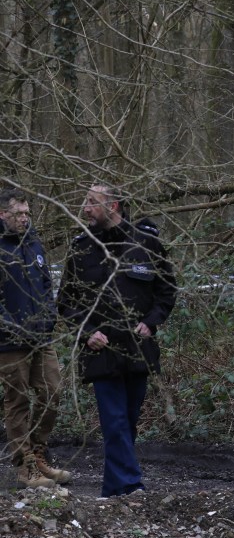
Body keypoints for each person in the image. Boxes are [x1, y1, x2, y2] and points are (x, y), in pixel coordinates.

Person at [57, 185, 177, 497]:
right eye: (85, 203)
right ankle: (131, 486)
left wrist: (151, 323)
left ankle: (113, 489)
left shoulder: (147, 243)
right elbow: (66, 301)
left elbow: (166, 292)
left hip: (138, 349)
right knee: (114, 422)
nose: (85, 209)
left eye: (92, 203)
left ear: (113, 206)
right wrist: (86, 332)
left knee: (128, 422)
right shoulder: (82, 248)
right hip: (101, 350)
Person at [0, 188, 67, 489]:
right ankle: (25, 465)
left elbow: (44, 285)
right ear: (3, 213)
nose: (24, 218)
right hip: (9, 340)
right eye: (18, 213)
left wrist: (49, 317)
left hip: (42, 337)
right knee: (17, 401)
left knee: (52, 392)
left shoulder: (34, 244)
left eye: (27, 213)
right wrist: (10, 325)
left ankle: (39, 453)